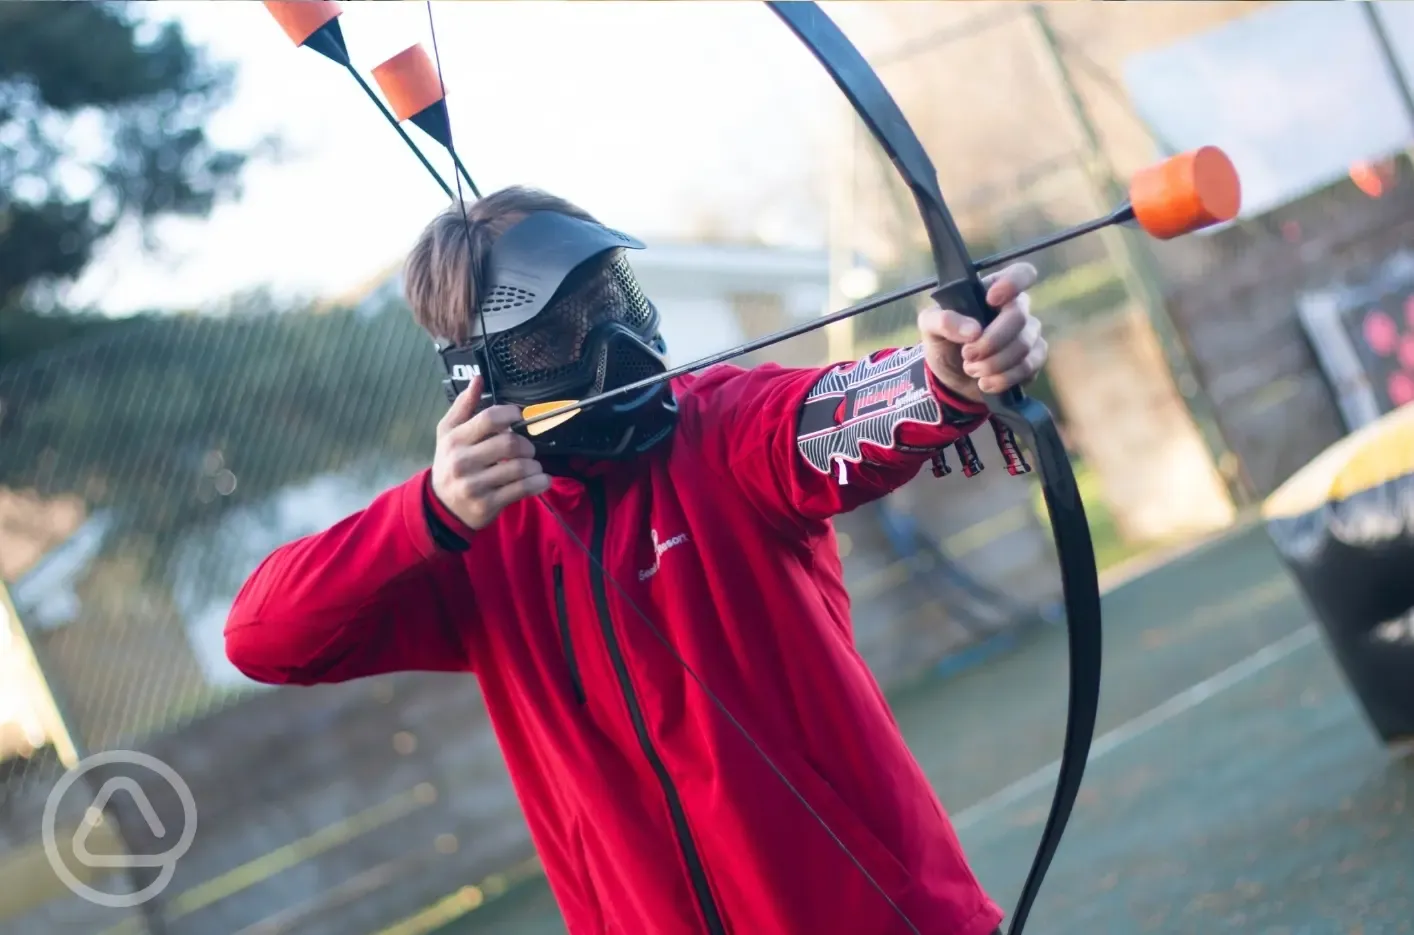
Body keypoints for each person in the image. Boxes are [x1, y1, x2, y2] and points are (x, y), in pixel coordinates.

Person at [225, 185, 1048, 935]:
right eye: (555, 332)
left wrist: (946, 373)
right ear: (481, 377)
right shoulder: (471, 541)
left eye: (611, 300)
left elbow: (845, 412)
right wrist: (427, 515)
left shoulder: (722, 428)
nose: (611, 341)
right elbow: (261, 636)